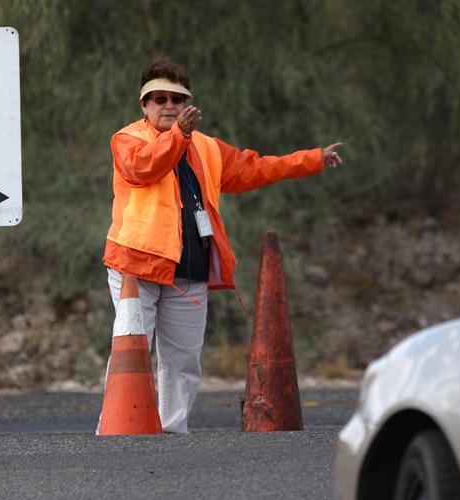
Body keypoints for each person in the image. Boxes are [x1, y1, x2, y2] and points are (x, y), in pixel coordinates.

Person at [102, 58, 343, 433]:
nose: (168, 106)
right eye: (159, 99)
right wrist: (177, 136)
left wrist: (311, 159)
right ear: (144, 105)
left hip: (189, 267)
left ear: (186, 104)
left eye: (176, 99)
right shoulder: (128, 139)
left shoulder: (207, 147)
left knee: (183, 359)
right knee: (132, 352)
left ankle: (171, 432)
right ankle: (119, 431)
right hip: (136, 266)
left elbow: (256, 167)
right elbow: (144, 167)